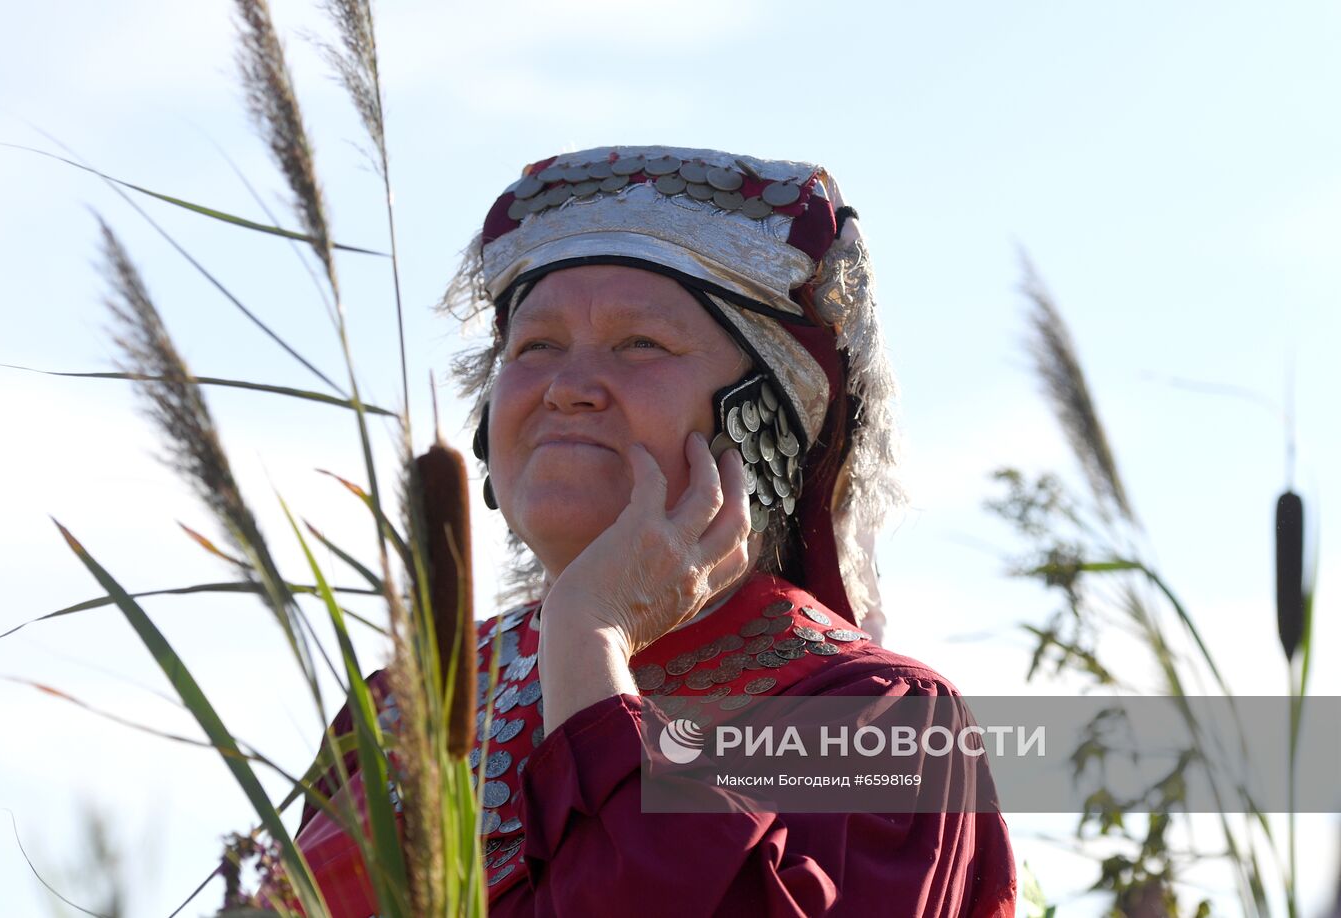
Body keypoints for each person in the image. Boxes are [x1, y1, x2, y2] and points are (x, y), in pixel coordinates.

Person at [287, 145, 1017, 916]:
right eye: (535, 346)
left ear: (757, 418)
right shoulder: (408, 703)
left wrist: (589, 636)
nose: (567, 389)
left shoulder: (877, 713)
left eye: (641, 344)